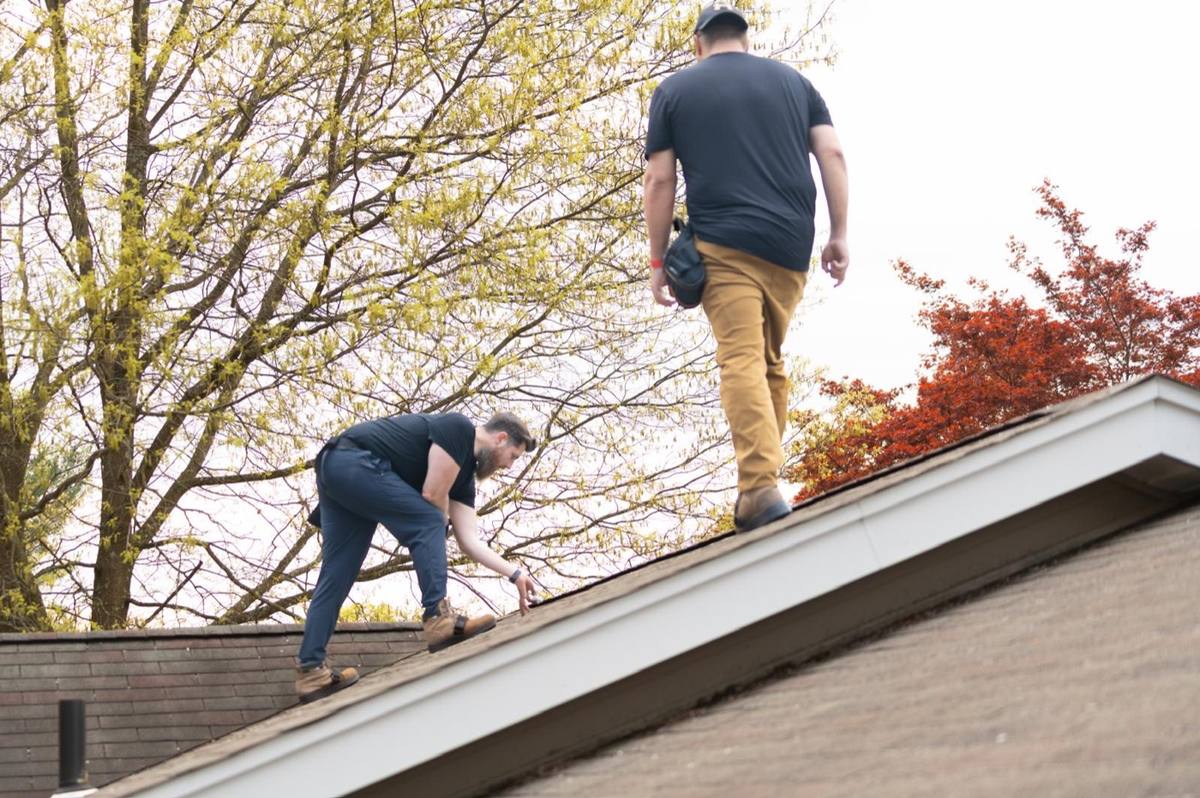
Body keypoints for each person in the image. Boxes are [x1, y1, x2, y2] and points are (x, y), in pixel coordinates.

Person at [643, 3, 849, 532]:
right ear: (746, 40)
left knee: (739, 358)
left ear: (698, 45)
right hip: (789, 245)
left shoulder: (674, 91)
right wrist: (838, 234)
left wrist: (658, 260)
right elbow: (832, 155)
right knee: (769, 360)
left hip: (724, 242)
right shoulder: (796, 84)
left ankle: (758, 487)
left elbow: (660, 182)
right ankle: (765, 481)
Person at [295, 410, 539, 703]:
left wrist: (515, 574)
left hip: (339, 473)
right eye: (513, 456)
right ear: (501, 438)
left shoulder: (464, 482)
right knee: (430, 519)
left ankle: (311, 671)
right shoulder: (458, 428)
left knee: (337, 576)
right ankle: (438, 617)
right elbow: (433, 494)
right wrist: (434, 529)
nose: (509, 466)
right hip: (353, 462)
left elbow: (469, 541)